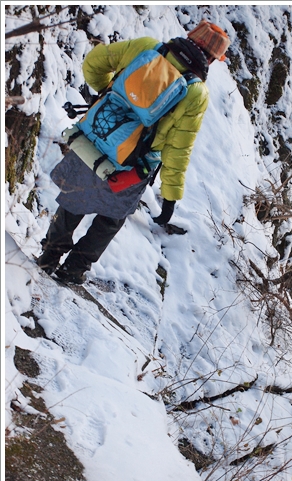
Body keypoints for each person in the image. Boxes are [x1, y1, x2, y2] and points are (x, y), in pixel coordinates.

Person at [37, 20, 231, 284]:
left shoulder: (146, 47)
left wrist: (106, 97)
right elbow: (178, 149)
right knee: (110, 219)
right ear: (212, 59)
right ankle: (73, 269)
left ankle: (48, 258)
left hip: (96, 138)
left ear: (189, 36)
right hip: (132, 165)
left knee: (74, 200)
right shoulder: (196, 93)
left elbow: (94, 63)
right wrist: (171, 197)